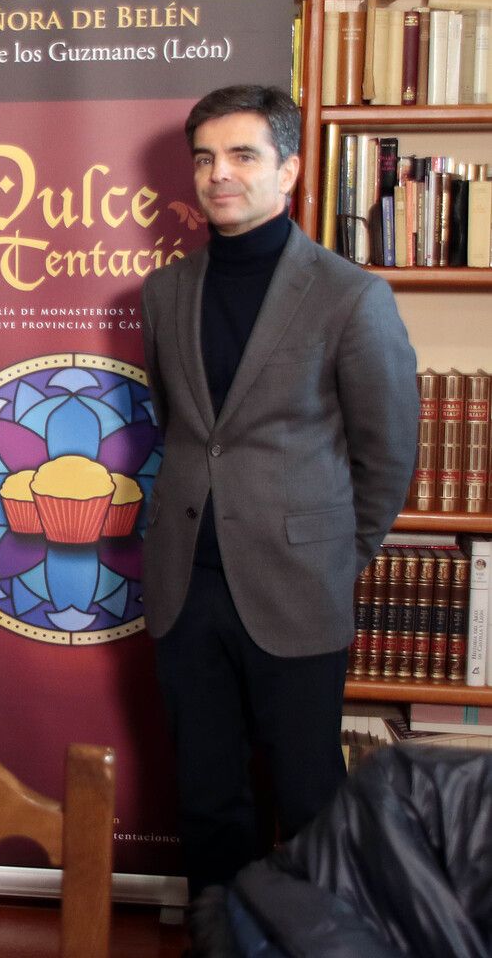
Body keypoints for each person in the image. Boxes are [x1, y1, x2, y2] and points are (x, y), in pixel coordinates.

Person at [139, 85, 418, 903]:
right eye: (205, 158)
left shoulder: (349, 296)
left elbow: (387, 453)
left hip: (297, 589)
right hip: (188, 587)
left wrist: (338, 554)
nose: (219, 174)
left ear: (289, 169)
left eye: (242, 155)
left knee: (308, 797)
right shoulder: (164, 293)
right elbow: (183, 424)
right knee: (208, 797)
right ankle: (219, 937)